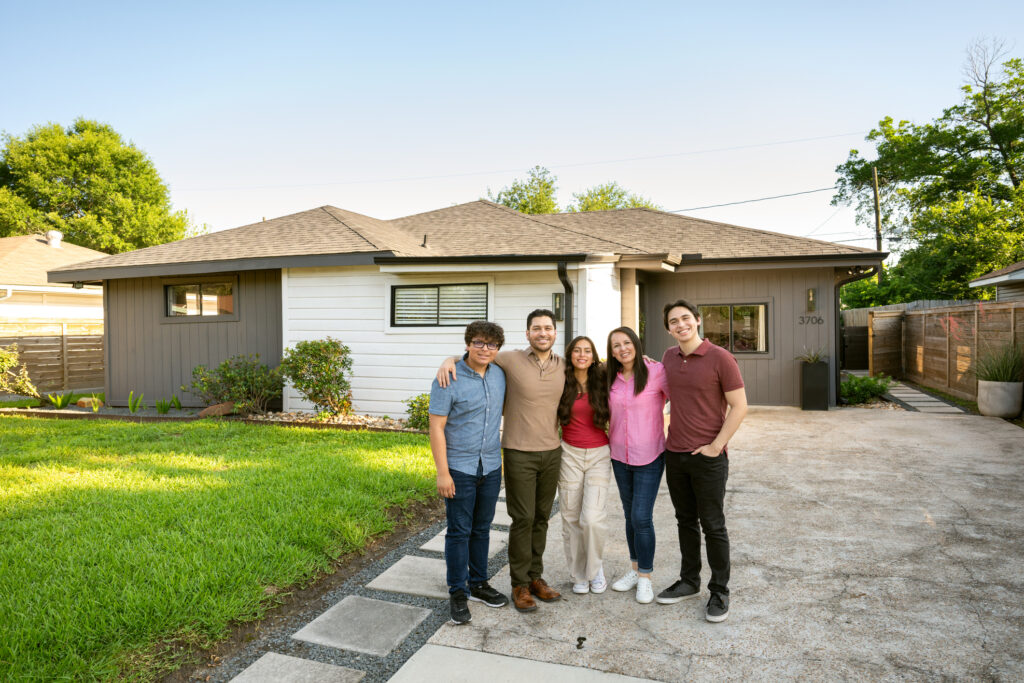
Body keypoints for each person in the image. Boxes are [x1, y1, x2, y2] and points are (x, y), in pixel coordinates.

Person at [437, 309, 564, 613]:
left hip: (529, 456)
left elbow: (594, 364)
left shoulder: (561, 365)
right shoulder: (508, 360)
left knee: (531, 520)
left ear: (555, 332)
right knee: (513, 520)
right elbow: (474, 357)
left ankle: (526, 578)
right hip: (502, 455)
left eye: (548, 328)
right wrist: (448, 359)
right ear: (527, 333)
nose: (543, 333)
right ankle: (508, 585)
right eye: (536, 328)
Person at [657, 299, 747, 623]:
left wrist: (716, 446)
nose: (680, 324)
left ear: (697, 320)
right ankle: (689, 581)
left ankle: (719, 591)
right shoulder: (668, 357)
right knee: (685, 521)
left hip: (708, 458)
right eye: (673, 321)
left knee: (713, 525)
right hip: (675, 454)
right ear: (669, 329)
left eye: (685, 318)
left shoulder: (720, 358)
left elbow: (740, 406)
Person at [428, 320, 510, 624]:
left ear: (497, 348)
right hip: (459, 468)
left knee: (482, 528)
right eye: (478, 342)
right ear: (468, 344)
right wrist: (442, 473)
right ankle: (458, 592)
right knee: (459, 531)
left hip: (491, 465)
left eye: (491, 344)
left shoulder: (499, 374)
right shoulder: (447, 377)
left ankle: (478, 583)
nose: (485, 349)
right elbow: (436, 427)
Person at [605, 326, 670, 604]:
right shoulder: (610, 377)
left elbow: (682, 399)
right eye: (616, 345)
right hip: (620, 456)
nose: (623, 349)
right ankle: (634, 569)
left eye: (627, 342)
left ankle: (645, 576)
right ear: (611, 352)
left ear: (636, 343)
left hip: (649, 456)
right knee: (629, 515)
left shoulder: (656, 371)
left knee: (642, 517)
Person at [556, 335, 612, 595]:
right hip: (569, 453)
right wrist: (452, 360)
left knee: (591, 518)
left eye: (587, 351)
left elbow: (630, 365)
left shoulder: (603, 378)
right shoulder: (561, 379)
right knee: (570, 518)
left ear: (593, 356)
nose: (582, 355)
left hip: (599, 454)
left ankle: (595, 569)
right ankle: (579, 573)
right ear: (570, 354)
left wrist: (645, 359)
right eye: (577, 350)